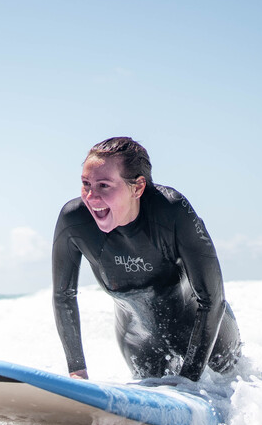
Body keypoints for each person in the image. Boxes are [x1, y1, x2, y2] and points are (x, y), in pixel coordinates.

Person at [52, 137, 241, 382]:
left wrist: (188, 381)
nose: (91, 196)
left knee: (231, 403)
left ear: (138, 187)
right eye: (86, 184)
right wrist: (77, 373)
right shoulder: (74, 221)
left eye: (104, 186)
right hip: (139, 344)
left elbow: (211, 299)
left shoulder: (171, 211)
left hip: (208, 339)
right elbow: (63, 296)